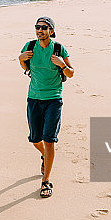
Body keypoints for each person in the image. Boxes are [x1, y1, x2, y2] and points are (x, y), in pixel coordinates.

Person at [18, 16, 74, 198]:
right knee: (35, 139)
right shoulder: (29, 47)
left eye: (44, 27)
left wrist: (62, 64)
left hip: (53, 99)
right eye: (37, 27)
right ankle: (45, 156)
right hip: (34, 98)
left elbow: (71, 73)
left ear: (51, 31)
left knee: (49, 140)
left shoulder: (59, 49)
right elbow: (26, 68)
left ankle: (46, 180)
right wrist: (20, 59)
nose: (40, 30)